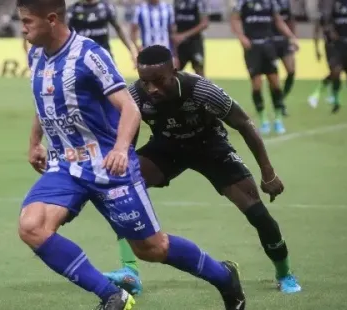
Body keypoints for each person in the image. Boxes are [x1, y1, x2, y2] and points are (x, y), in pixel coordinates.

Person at [16, 0, 246, 309]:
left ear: (53, 19)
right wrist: (34, 142)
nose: (22, 28)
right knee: (32, 226)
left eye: (28, 21)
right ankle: (112, 296)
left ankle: (223, 276)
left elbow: (130, 108)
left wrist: (122, 149)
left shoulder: (90, 56)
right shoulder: (36, 55)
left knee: (151, 248)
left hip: (109, 167)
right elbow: (42, 102)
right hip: (66, 166)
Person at [103, 44, 302, 296]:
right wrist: (124, 167)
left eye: (158, 81)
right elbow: (126, 137)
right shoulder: (136, 96)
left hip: (210, 147)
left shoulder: (201, 90)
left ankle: (284, 273)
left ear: (174, 71)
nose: (151, 88)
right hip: (167, 147)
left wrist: (268, 173)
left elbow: (243, 123)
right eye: (145, 82)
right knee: (123, 191)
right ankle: (130, 272)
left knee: (258, 214)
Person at [230, 0, 298, 135]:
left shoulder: (270, 2)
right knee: (256, 85)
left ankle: (278, 119)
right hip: (252, 48)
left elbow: (278, 21)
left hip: (268, 46)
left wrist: (292, 37)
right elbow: (235, 19)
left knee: (275, 83)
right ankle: (263, 120)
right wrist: (241, 36)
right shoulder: (243, 3)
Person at [308, 0, 347, 109]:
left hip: (346, 45)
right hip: (332, 47)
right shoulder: (327, 13)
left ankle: (330, 96)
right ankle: (321, 95)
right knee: (336, 72)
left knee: (344, 72)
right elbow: (317, 32)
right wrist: (316, 50)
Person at [67, 0, 137, 65]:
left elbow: (119, 29)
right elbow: (65, 34)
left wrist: (132, 50)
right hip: (81, 59)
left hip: (104, 57)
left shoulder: (107, 7)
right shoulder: (72, 10)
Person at [323, 0, 347, 113]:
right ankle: (336, 102)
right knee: (336, 71)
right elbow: (328, 22)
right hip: (340, 45)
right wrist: (331, 31)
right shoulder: (335, 5)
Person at [131, 0, 177, 65]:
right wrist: (137, 47)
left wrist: (175, 55)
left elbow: (173, 32)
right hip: (148, 50)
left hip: (165, 50)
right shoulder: (140, 8)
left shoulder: (168, 8)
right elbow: (133, 30)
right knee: (150, 73)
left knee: (165, 73)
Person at [171, 0, 209, 76]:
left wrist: (184, 35)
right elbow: (172, 22)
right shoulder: (176, 2)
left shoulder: (199, 2)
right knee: (173, 73)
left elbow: (205, 23)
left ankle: (202, 88)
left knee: (200, 72)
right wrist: (174, 35)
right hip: (179, 44)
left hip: (195, 43)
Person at [272, 0, 296, 115]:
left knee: (291, 71)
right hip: (270, 42)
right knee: (272, 76)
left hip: (284, 42)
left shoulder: (285, 2)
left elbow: (290, 20)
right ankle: (278, 103)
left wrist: (293, 38)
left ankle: (281, 99)